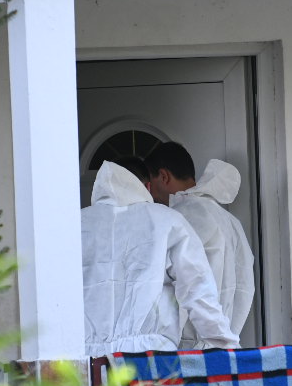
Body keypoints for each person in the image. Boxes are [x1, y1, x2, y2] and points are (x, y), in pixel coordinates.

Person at [81, 160, 237, 356]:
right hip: (151, 358)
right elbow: (197, 289)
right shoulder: (166, 220)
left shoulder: (77, 225)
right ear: (147, 187)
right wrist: (224, 346)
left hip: (85, 361)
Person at [142, 142, 256, 346]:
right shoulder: (230, 221)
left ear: (163, 176)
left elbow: (183, 286)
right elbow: (245, 288)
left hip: (188, 348)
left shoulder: (179, 218)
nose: (151, 195)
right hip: (224, 344)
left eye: (151, 184)